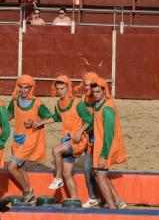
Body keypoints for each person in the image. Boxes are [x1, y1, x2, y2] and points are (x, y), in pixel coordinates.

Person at [32, 76, 93, 199]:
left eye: (63, 88)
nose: (60, 91)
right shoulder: (59, 104)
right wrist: (40, 123)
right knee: (68, 173)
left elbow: (89, 120)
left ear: (68, 88)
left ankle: (58, 178)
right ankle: (75, 200)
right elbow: (56, 117)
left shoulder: (77, 104)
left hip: (78, 140)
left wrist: (80, 132)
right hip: (67, 140)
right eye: (58, 88)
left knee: (56, 150)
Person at [6, 75, 54, 203]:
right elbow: (9, 115)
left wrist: (36, 122)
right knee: (20, 167)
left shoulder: (37, 103)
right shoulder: (15, 100)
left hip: (30, 139)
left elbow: (50, 118)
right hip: (17, 138)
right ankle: (30, 196)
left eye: (26, 88)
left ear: (31, 88)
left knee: (11, 167)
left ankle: (27, 191)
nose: (23, 90)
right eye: (21, 87)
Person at [89, 76, 127, 209]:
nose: (95, 94)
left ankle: (112, 208)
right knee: (99, 174)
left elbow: (109, 134)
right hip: (101, 145)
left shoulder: (107, 108)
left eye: (98, 92)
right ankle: (118, 200)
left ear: (104, 91)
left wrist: (103, 154)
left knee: (100, 176)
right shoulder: (98, 105)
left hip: (106, 147)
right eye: (93, 92)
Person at [74, 72, 104, 208]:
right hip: (88, 136)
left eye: (89, 84)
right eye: (86, 84)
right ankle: (95, 196)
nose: (87, 87)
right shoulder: (83, 98)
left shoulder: (98, 100)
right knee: (89, 168)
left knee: (94, 169)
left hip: (96, 137)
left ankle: (97, 197)